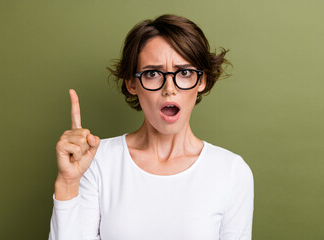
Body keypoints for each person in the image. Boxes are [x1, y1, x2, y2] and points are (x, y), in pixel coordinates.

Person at [48, 14, 254, 240]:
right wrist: (68, 184)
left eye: (184, 73)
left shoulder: (231, 172)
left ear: (202, 80)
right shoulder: (96, 161)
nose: (169, 89)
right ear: (132, 84)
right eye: (153, 73)